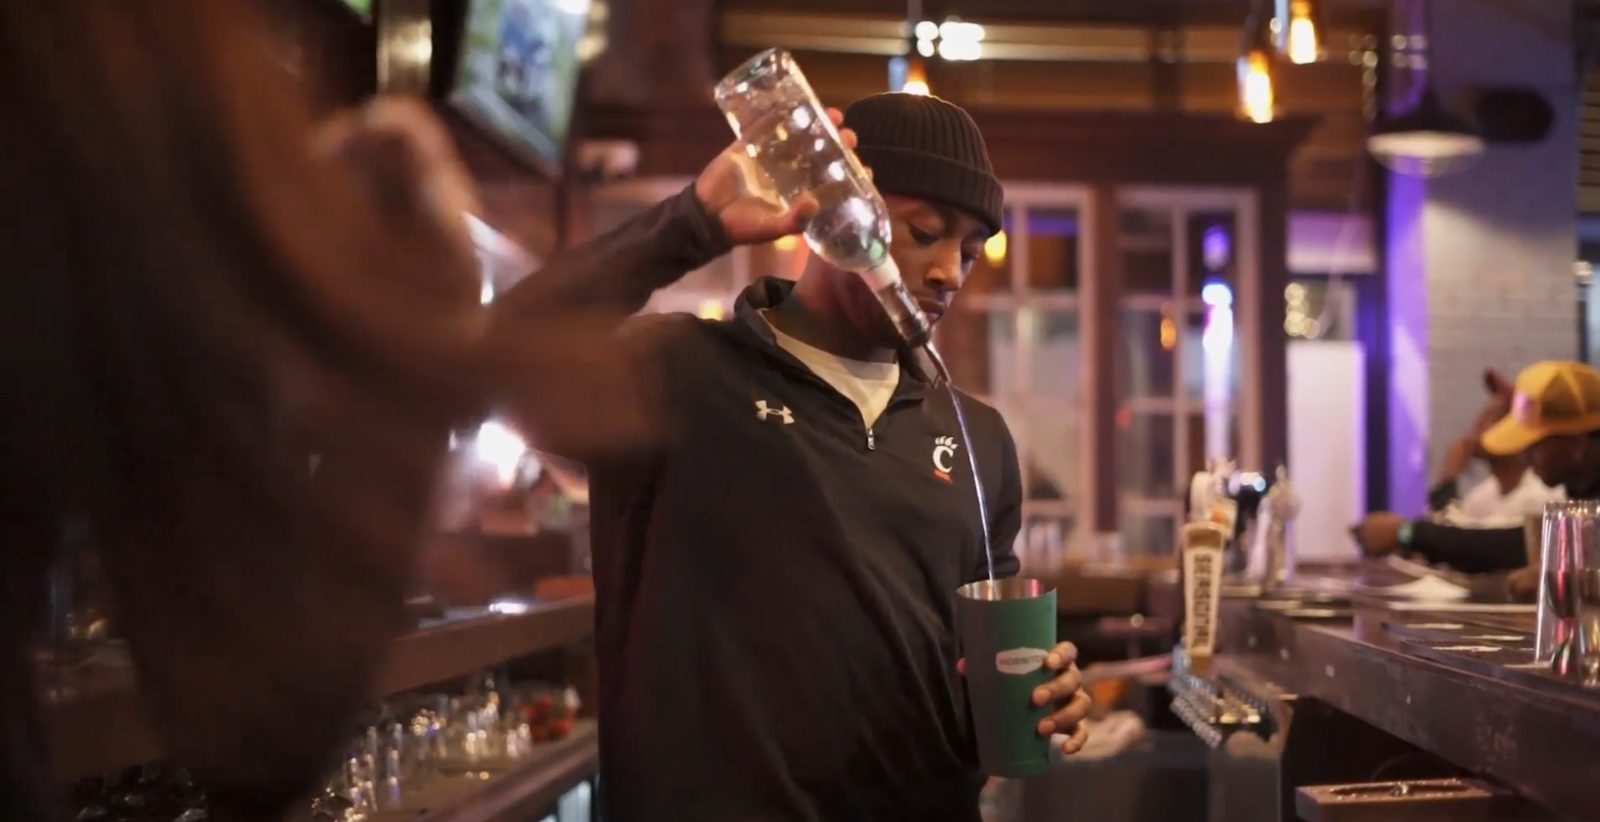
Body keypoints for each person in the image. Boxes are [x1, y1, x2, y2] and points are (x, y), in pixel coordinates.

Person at [494, 93, 1090, 820]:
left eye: (968, 250)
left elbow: (971, 671)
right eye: (924, 232)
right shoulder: (682, 372)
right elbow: (497, 363)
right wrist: (690, 225)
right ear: (838, 216)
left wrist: (1039, 689)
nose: (948, 272)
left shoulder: (978, 438)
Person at [1352, 361, 1600, 573]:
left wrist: (1407, 533)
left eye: (1533, 445)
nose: (1524, 455)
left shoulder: (1556, 498)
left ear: (1577, 443)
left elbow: (1516, 548)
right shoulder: (1580, 491)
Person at [1424, 369, 1562, 527]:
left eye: (1491, 417)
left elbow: (1467, 543)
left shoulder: (1541, 496)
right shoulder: (1481, 497)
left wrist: (1448, 480)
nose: (1476, 427)